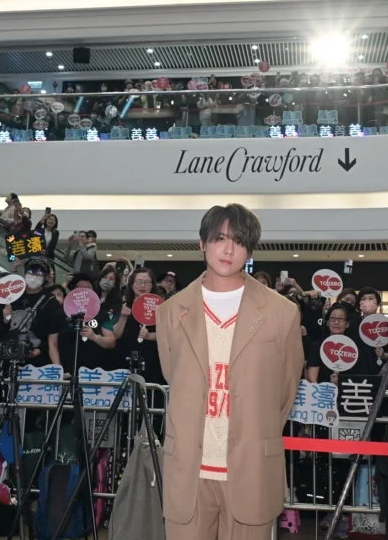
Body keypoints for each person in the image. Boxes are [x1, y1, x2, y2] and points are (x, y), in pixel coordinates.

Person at [157, 203, 304, 540]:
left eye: (238, 241)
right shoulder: (170, 312)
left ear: (249, 249)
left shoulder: (282, 313)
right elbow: (172, 374)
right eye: (219, 238)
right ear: (202, 243)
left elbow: (284, 392)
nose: (228, 249)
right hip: (188, 468)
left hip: (252, 466)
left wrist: (255, 427)